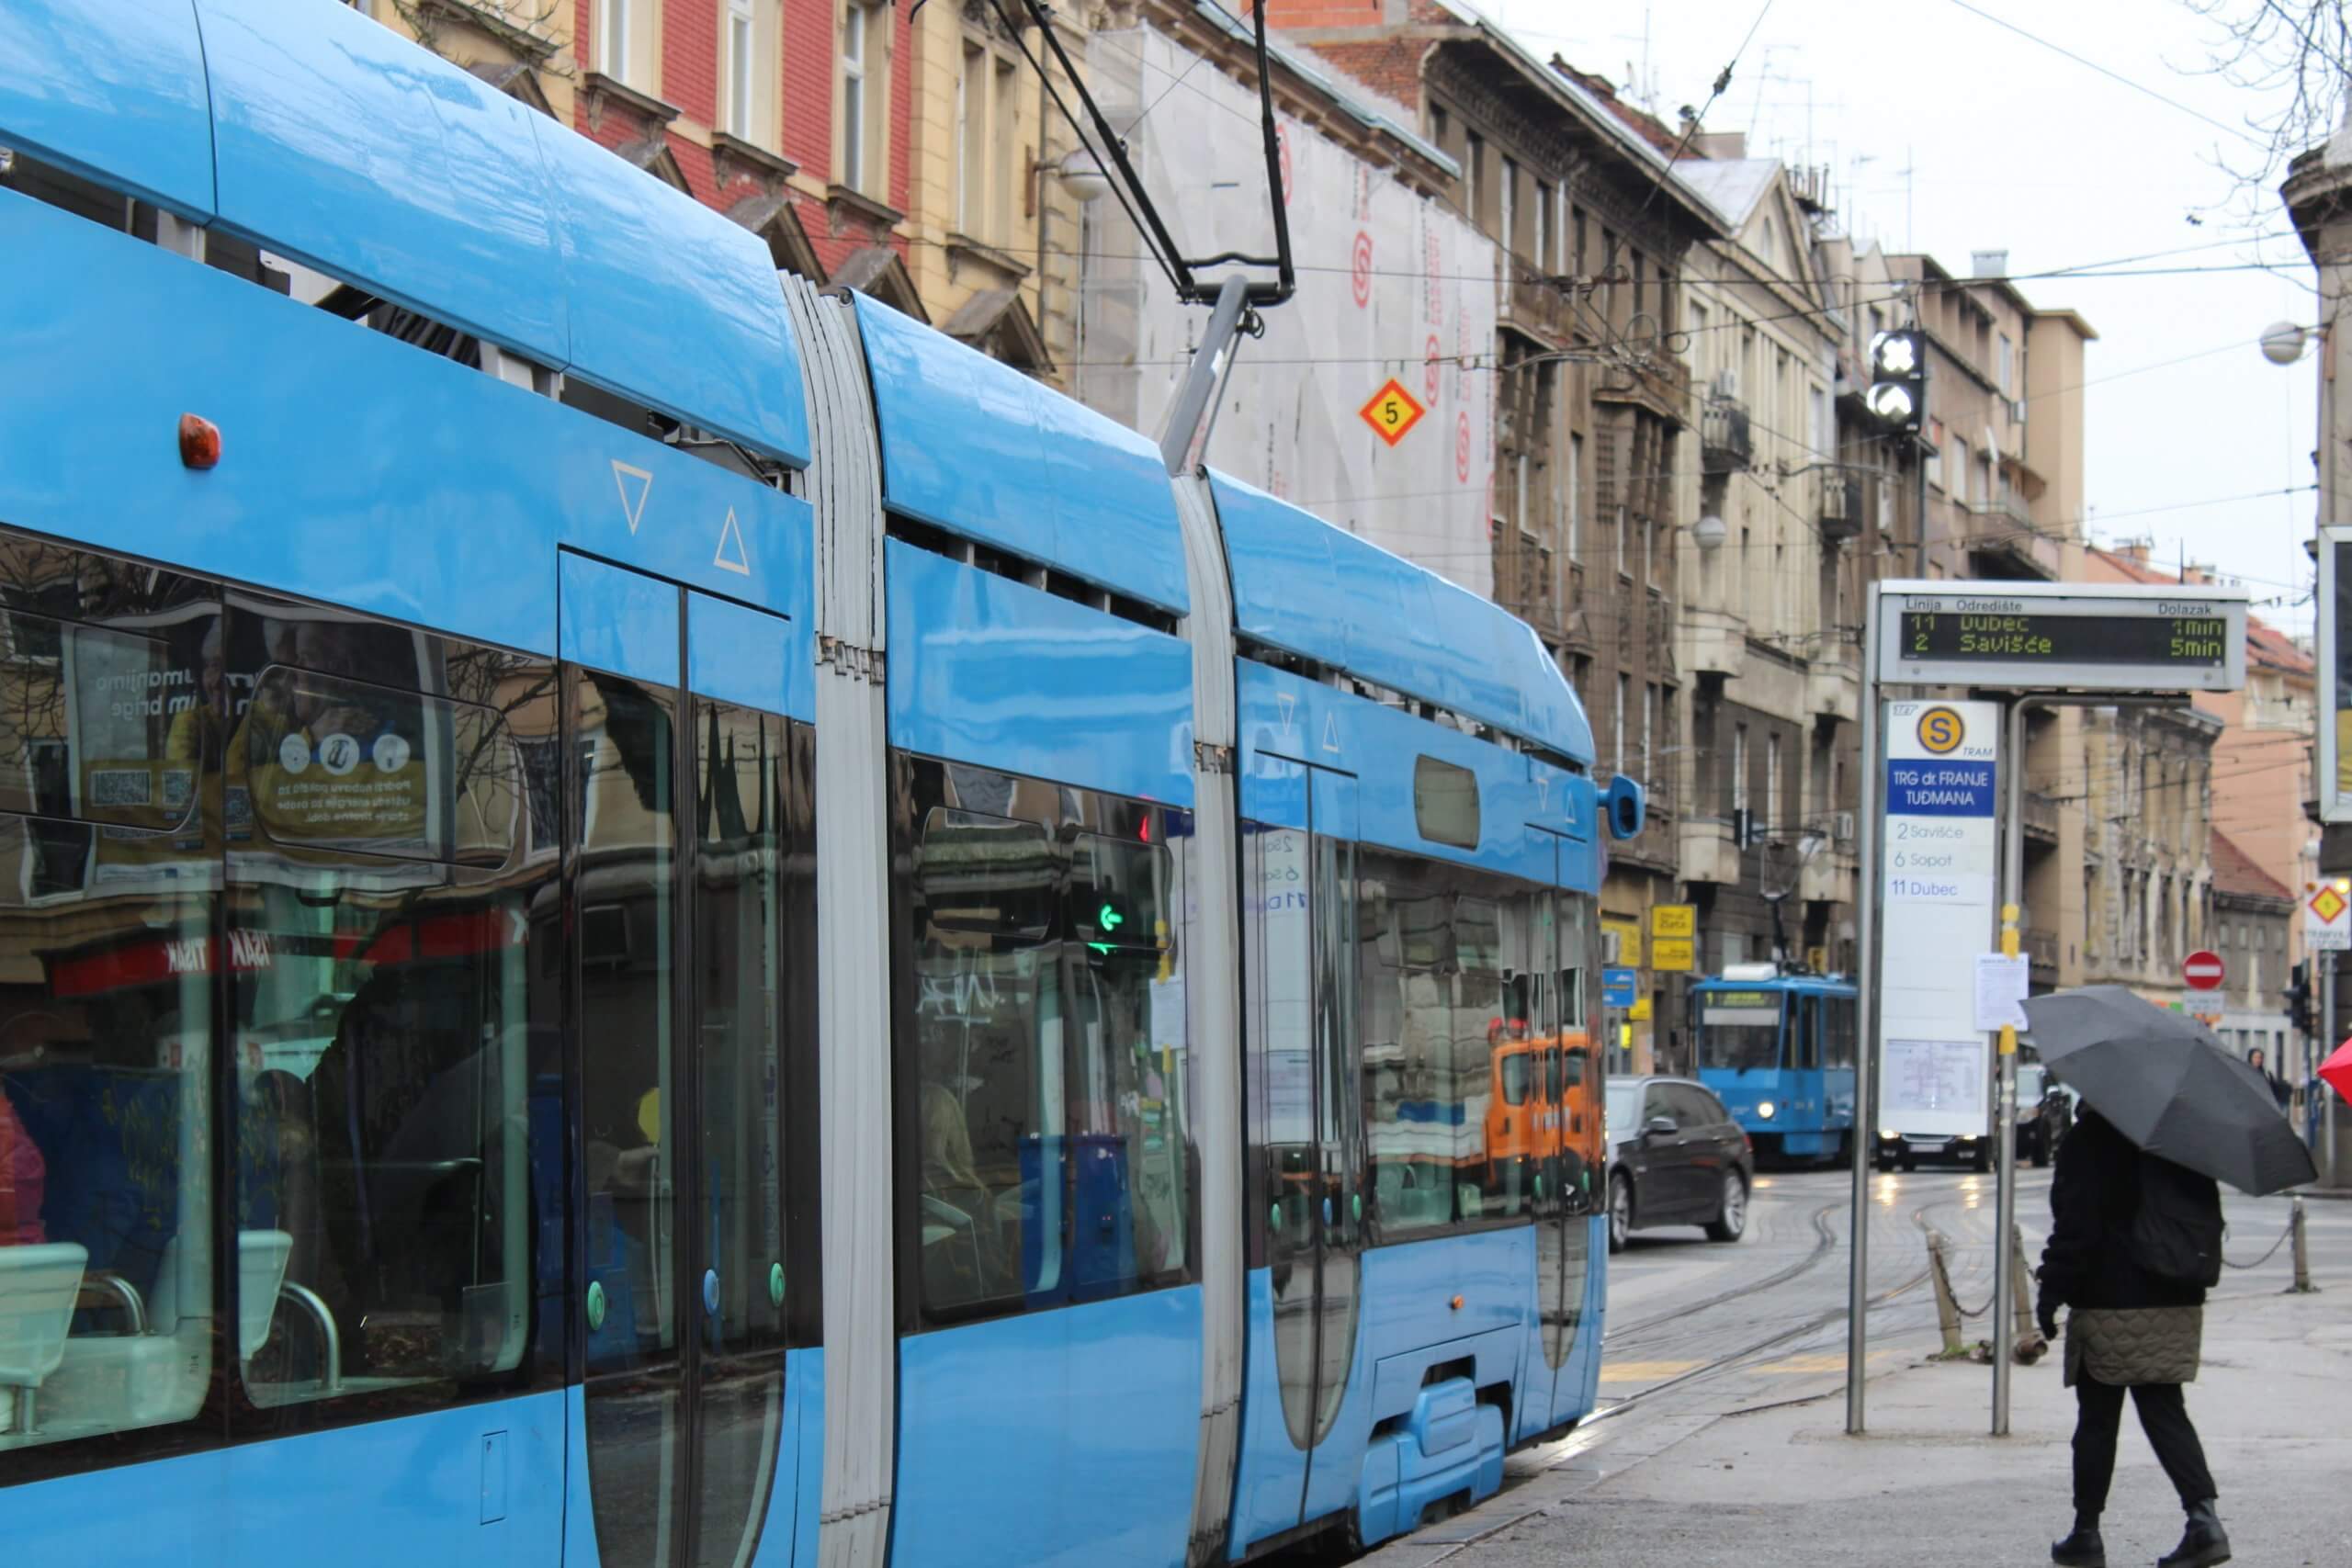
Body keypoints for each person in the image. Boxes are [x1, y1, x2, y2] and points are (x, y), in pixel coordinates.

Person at [2037, 1108, 2229, 1568]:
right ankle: (2205, 1521)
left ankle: (2086, 1533)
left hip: (2109, 1295)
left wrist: (2051, 1292)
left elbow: (2075, 1228)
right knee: (2165, 1408)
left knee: (2098, 1420)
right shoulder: (2181, 1136)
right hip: (2176, 1293)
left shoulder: (2091, 1138)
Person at [2245, 1046, 2290, 1113]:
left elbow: (2274, 1089)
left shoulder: (2266, 1074)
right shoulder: (2245, 1072)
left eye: (2260, 1058)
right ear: (2250, 1058)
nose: (2258, 1060)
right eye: (2255, 1057)